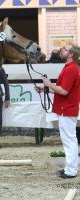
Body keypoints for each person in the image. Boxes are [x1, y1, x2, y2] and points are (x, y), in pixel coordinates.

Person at [36, 44, 80, 179]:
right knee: (69, 140)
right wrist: (45, 89)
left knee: (69, 141)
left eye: (65, 49)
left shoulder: (71, 69)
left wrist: (49, 84)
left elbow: (64, 91)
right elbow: (62, 89)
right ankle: (70, 168)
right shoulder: (70, 68)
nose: (62, 50)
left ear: (71, 54)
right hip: (66, 109)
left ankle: (71, 171)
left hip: (66, 109)